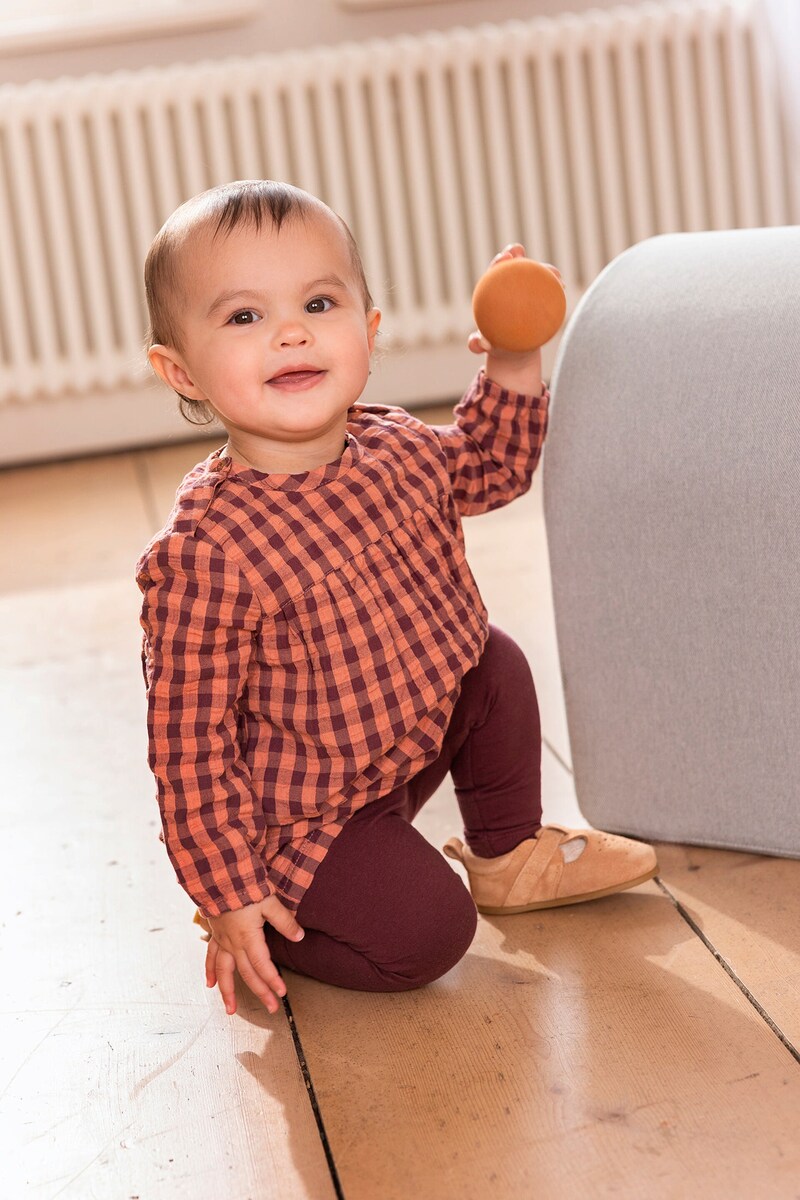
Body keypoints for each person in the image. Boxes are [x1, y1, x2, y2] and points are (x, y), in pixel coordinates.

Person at [136, 179, 657, 1018]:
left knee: (493, 663)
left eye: (319, 303)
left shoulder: (397, 447)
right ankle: (274, 923)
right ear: (180, 372)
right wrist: (229, 890)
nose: (292, 332)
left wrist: (512, 357)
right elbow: (189, 747)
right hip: (305, 821)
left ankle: (507, 853)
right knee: (429, 936)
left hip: (400, 741)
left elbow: (489, 465)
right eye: (244, 316)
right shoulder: (205, 554)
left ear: (369, 333)